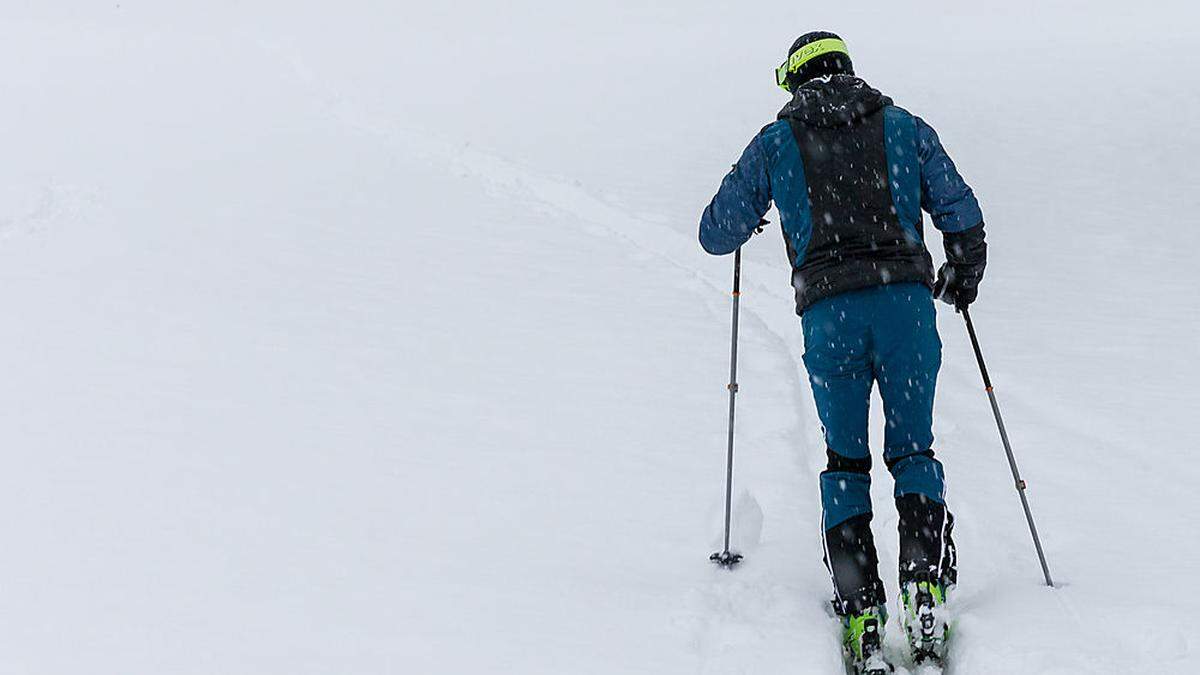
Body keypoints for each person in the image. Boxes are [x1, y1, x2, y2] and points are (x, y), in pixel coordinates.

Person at [698, 31, 985, 673]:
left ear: (796, 82)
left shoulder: (776, 143)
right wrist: (963, 268)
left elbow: (714, 232)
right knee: (913, 448)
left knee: (846, 458)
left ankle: (861, 609)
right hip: (906, 305)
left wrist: (752, 217)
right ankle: (925, 587)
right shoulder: (905, 126)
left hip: (831, 314)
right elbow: (960, 211)